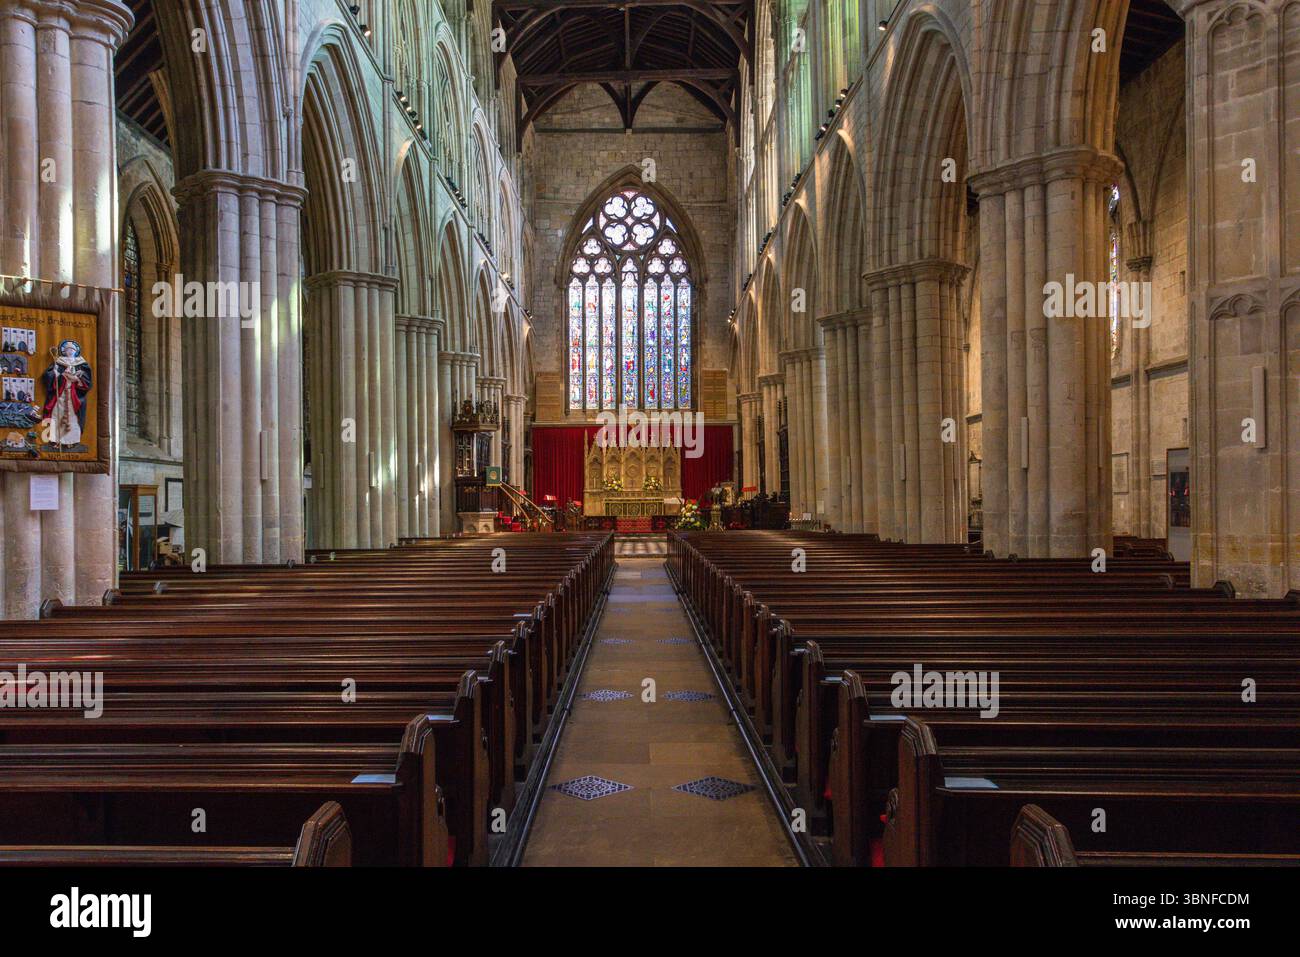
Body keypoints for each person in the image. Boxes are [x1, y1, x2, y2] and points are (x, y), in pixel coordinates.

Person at [42, 339, 92, 447]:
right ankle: (56, 440)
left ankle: (71, 441)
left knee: (74, 418)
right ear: (64, 351)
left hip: (74, 397)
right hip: (60, 395)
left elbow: (87, 382)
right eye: (68, 350)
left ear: (75, 351)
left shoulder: (81, 364)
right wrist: (56, 374)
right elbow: (48, 377)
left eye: (72, 350)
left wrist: (77, 379)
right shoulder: (59, 362)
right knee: (57, 415)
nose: (70, 352)